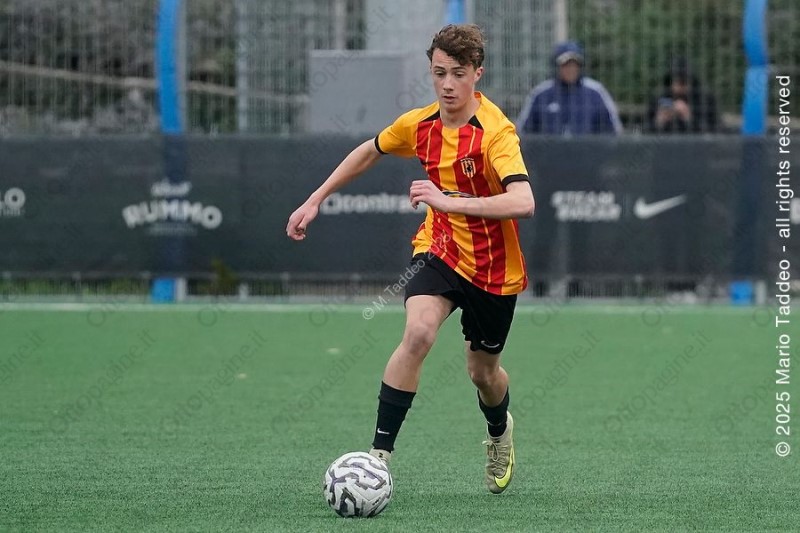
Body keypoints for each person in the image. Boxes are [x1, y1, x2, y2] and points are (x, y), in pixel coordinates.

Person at [286, 24, 534, 495]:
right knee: (418, 332)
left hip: (494, 269)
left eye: (458, 74)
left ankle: (499, 431)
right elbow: (369, 151)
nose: (447, 84)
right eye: (439, 73)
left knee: (482, 373)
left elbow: (523, 201)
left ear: (477, 74)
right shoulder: (420, 125)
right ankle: (377, 460)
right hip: (439, 250)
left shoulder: (495, 133)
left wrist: (449, 200)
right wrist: (315, 199)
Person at [516, 41, 622, 135]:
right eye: (566, 65)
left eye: (575, 65)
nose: (571, 69)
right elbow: (523, 131)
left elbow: (613, 131)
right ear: (557, 66)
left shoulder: (596, 93)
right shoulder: (541, 94)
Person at [647, 57, 718, 134]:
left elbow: (716, 131)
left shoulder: (705, 101)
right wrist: (659, 121)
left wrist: (689, 118)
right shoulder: (659, 100)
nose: (680, 87)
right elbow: (644, 130)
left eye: (683, 82)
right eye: (677, 82)